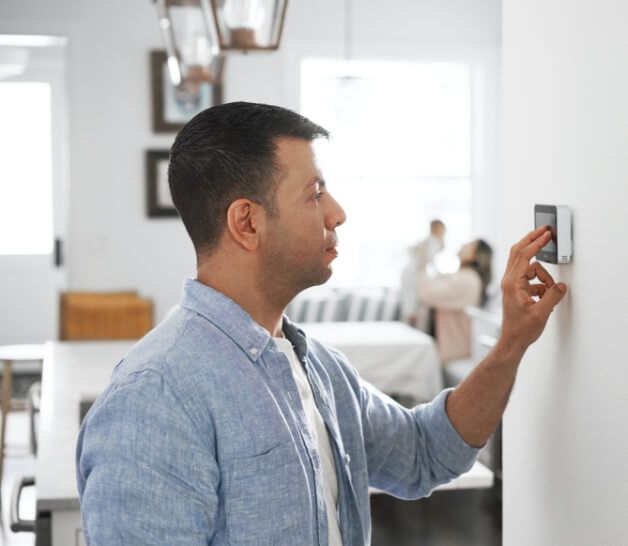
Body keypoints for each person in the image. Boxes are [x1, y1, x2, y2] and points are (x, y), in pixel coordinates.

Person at [76, 102, 567, 546]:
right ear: (247, 223)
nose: (338, 213)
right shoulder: (155, 398)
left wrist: (512, 342)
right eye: (315, 194)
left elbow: (425, 452)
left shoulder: (320, 369)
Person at [417, 238, 494, 363]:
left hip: (453, 356)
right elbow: (439, 280)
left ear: (474, 256)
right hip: (448, 352)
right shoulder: (462, 276)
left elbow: (428, 294)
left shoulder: (468, 279)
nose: (463, 244)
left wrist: (423, 262)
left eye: (469, 244)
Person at [399, 219, 446, 331]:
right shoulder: (432, 241)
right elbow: (428, 259)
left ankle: (410, 321)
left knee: (411, 301)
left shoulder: (430, 241)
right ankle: (411, 323)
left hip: (412, 273)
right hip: (414, 274)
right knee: (413, 301)